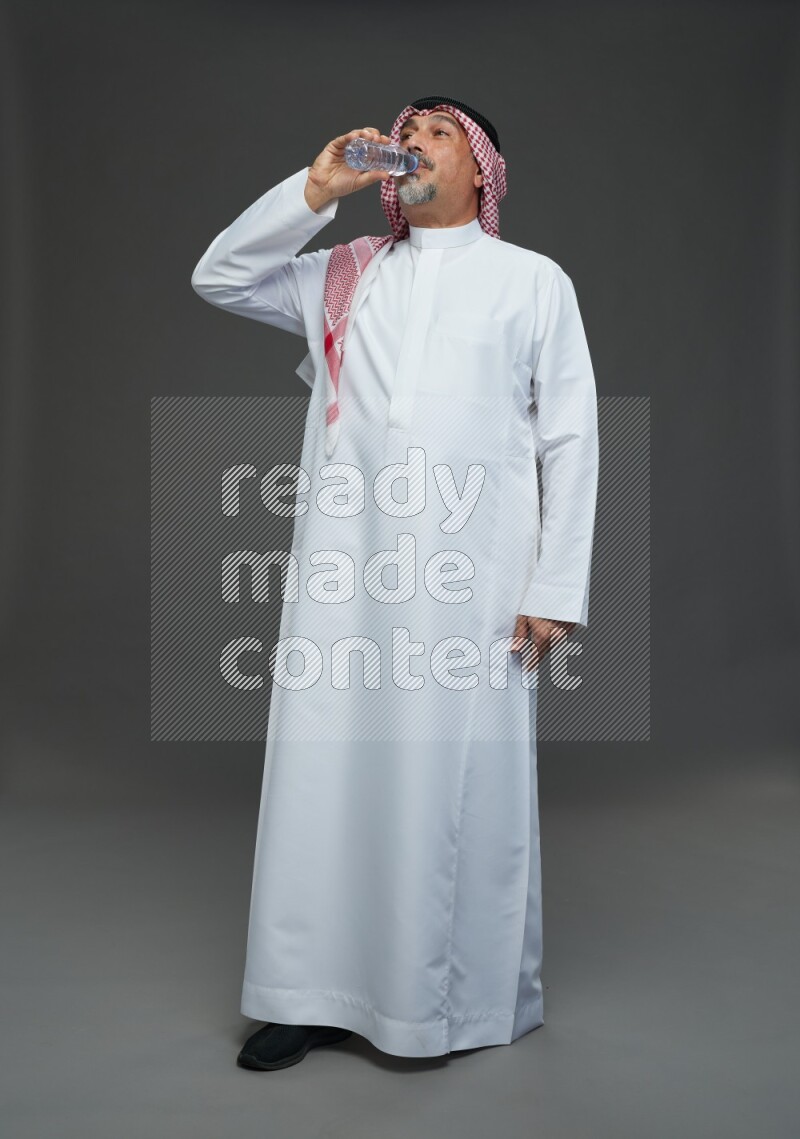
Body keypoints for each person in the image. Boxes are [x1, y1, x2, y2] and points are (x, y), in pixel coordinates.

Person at [191, 97, 599, 1071]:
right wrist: (315, 189)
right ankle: (305, 992)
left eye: (436, 134)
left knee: (450, 781)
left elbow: (569, 437)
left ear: (482, 169)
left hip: (475, 584)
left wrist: (555, 585)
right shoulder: (345, 272)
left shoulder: (529, 281)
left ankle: (444, 999)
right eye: (401, 135)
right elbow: (219, 275)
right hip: (347, 576)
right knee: (325, 771)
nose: (411, 145)